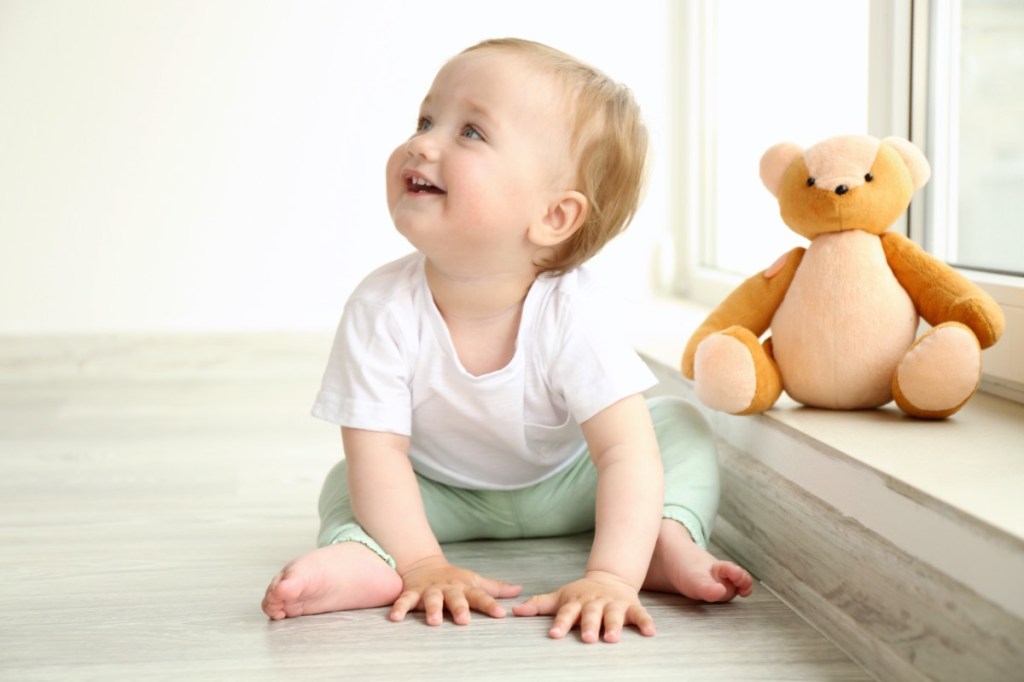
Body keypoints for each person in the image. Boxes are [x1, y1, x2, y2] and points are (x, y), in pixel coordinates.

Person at [261, 37, 752, 644]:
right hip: (442, 496)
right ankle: (375, 561)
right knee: (350, 480)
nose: (421, 142)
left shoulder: (572, 309)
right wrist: (425, 564)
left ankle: (660, 541)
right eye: (426, 120)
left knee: (675, 428)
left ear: (553, 217)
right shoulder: (380, 308)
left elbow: (623, 454)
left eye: (470, 132)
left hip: (571, 484)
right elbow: (381, 455)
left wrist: (610, 577)